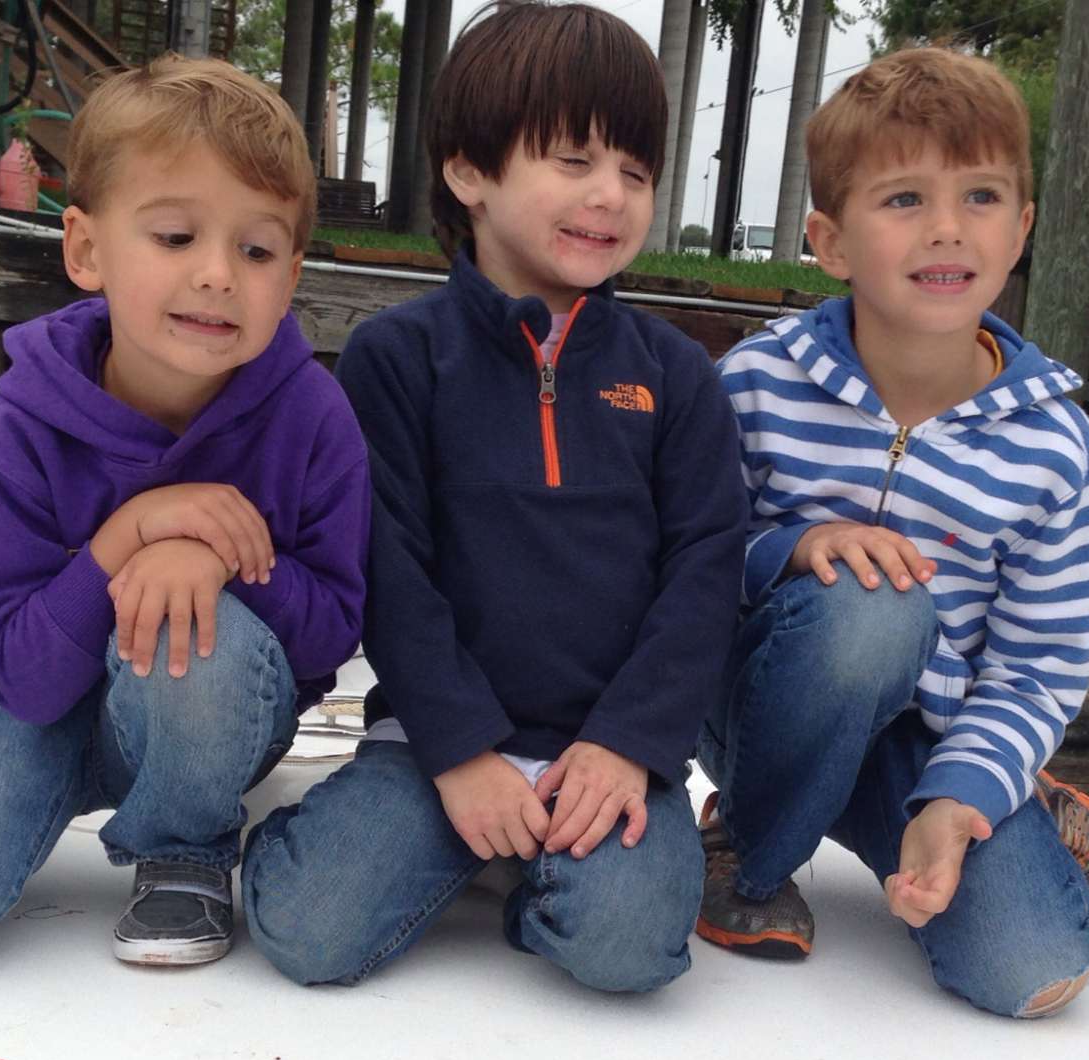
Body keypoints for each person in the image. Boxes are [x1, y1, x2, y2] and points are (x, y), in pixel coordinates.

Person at [241, 2, 748, 994]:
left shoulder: (678, 374)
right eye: (573, 160)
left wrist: (627, 745)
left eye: (635, 172)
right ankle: (387, 840)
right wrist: (462, 751)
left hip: (607, 760)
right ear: (469, 171)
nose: (610, 194)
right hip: (433, 748)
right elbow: (389, 568)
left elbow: (705, 570)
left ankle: (526, 882)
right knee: (308, 932)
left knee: (633, 950)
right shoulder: (400, 359)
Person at [0, 56, 369, 969]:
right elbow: (27, 684)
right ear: (85, 250)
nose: (218, 275)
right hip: (26, 709)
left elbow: (329, 640)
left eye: (257, 249)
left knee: (203, 631)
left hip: (203, 718)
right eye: (174, 237)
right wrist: (127, 538)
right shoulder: (21, 426)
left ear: (292, 273)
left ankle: (184, 851)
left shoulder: (315, 417)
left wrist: (219, 560)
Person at [696, 46, 1089, 1018]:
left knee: (1031, 971)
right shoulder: (755, 387)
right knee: (869, 609)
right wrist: (791, 550)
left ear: (1021, 227)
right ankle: (748, 847)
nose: (946, 228)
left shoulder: (1056, 450)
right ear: (830, 238)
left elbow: (1035, 666)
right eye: (903, 201)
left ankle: (1010, 792)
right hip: (769, 711)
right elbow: (684, 563)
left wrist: (959, 795)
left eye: (980, 197)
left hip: (930, 739)